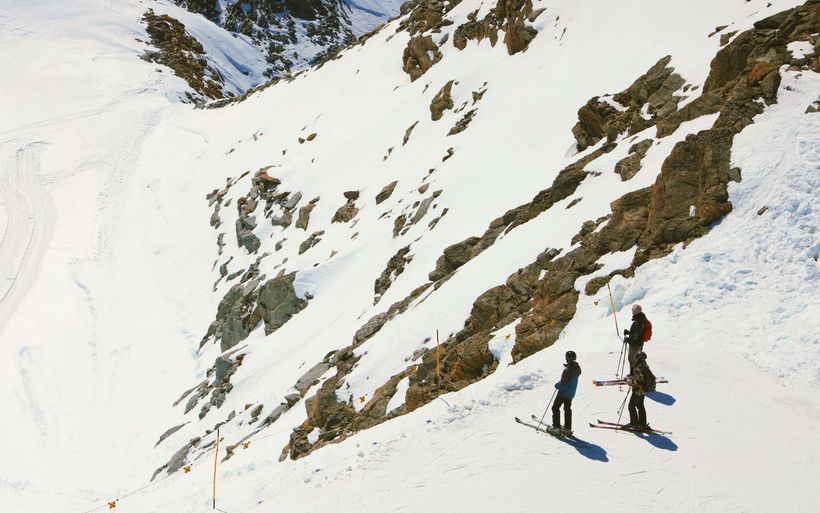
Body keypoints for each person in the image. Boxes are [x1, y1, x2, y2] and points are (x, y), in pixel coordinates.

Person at [552, 350, 582, 435]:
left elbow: (562, 384)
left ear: (567, 359)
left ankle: (556, 427)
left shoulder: (567, 371)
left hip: (563, 393)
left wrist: (557, 385)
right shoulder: (577, 369)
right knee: (567, 409)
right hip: (571, 394)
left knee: (555, 408)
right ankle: (567, 429)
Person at [625, 351, 652, 430]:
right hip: (644, 390)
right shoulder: (644, 365)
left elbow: (636, 381)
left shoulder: (638, 368)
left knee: (631, 406)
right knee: (640, 406)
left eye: (636, 358)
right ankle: (642, 424)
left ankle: (634, 424)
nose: (635, 359)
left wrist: (628, 381)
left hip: (638, 390)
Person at [623, 304, 647, 374]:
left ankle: (635, 375)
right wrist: (629, 332)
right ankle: (633, 374)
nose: (632, 310)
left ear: (637, 311)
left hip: (636, 345)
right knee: (631, 359)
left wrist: (629, 340)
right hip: (635, 343)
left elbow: (637, 334)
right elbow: (636, 332)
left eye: (633, 309)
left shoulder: (639, 321)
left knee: (633, 360)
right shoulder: (638, 319)